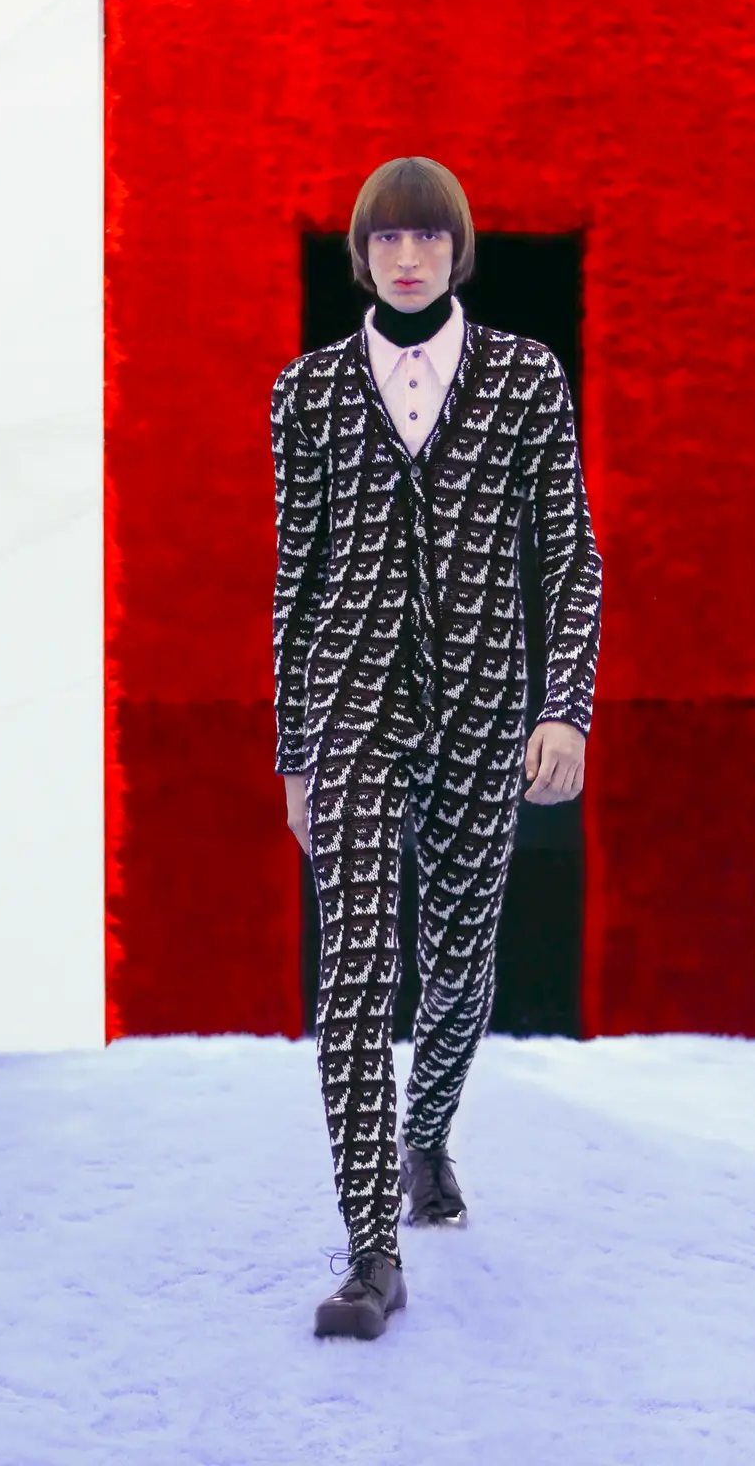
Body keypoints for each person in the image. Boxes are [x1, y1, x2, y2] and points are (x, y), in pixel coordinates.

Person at [269, 156, 603, 1340]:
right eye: (385, 238)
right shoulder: (307, 393)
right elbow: (294, 581)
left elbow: (569, 555)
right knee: (356, 969)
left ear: (458, 251)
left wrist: (564, 705)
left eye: (427, 236)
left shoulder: (524, 377)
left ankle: (427, 1135)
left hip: (482, 707)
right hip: (351, 704)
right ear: (360, 256)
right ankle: (371, 1253)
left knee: (458, 963)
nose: (407, 256)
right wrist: (295, 752)